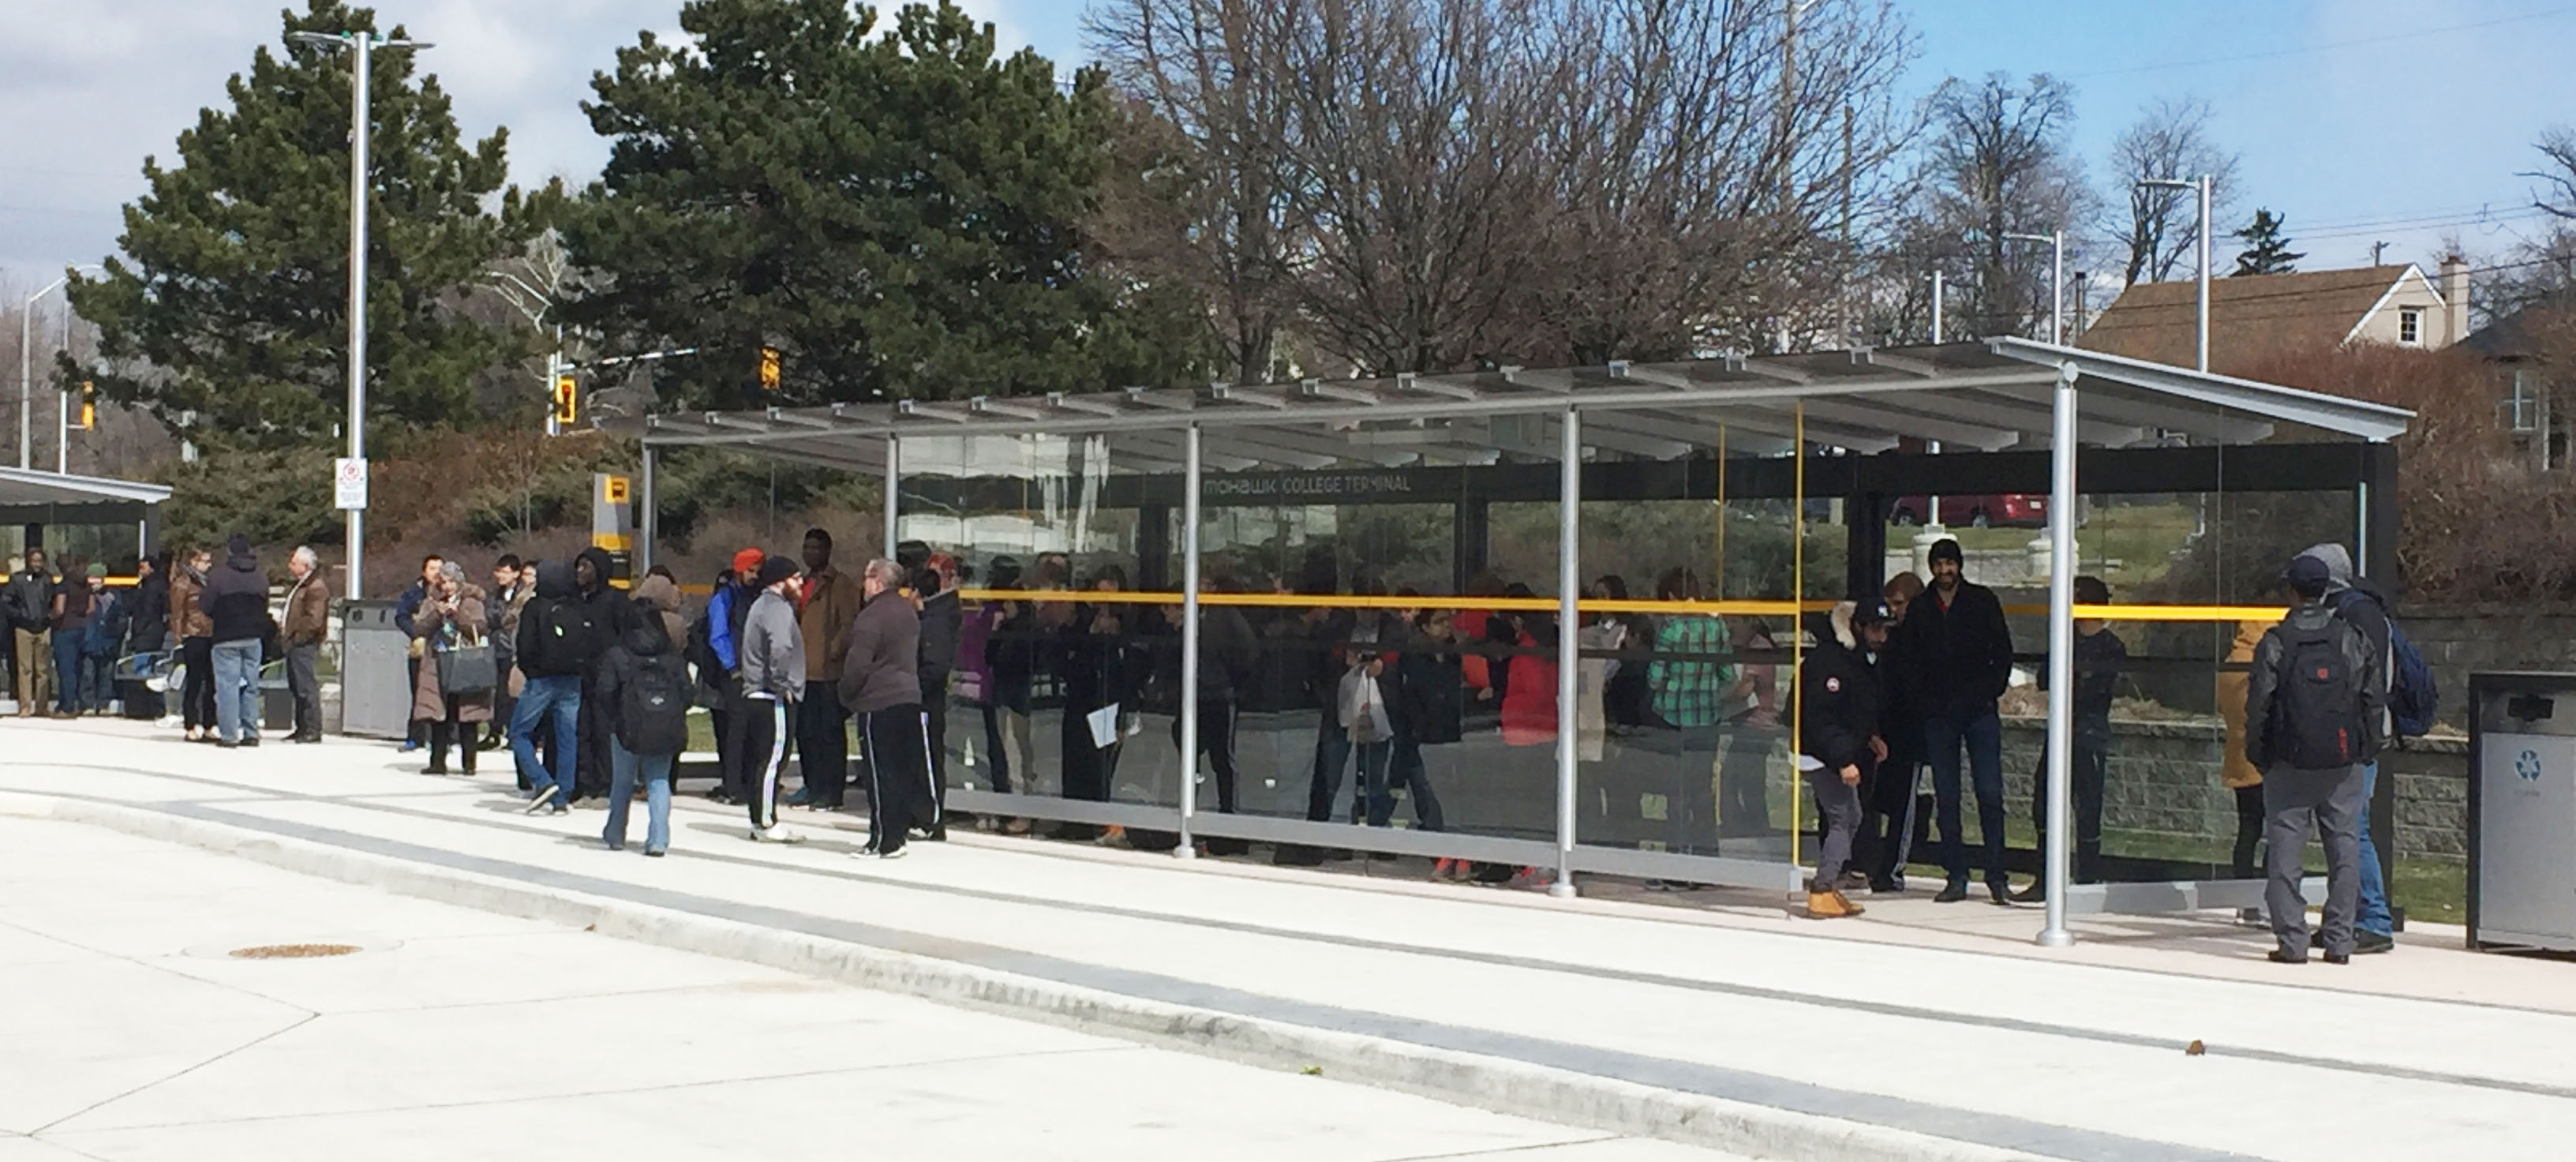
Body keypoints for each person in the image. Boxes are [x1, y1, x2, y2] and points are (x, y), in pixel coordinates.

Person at [2245, 552, 2383, 965]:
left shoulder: (2275, 641)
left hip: (2288, 763)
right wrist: (2368, 748)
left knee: (2286, 850)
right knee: (2344, 848)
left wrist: (2260, 754)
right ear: (2327, 589)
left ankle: (2292, 941)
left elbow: (2259, 707)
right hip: (2344, 761)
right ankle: (2340, 941)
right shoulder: (2350, 637)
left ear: (2292, 590)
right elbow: (2372, 698)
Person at [2301, 542, 2402, 956]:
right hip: (2357, 736)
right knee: (2343, 830)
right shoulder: (2363, 611)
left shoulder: (2354, 615)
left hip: (2355, 740)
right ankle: (2348, 919)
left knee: (2350, 831)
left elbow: (2363, 684)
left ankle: (2371, 920)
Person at [1901, 538, 2015, 905]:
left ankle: (1996, 875)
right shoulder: (1921, 608)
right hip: (1939, 714)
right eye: (1938, 564)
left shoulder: (1982, 601)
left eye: (1950, 564)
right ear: (1931, 567)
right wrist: (1925, 700)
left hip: (1979, 711)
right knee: (1948, 797)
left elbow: (2002, 652)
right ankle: (1956, 875)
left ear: (1959, 565)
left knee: (1990, 793)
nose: (1944, 571)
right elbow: (1910, 660)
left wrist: (1989, 692)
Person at [2016, 576, 2127, 901]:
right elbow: (2046, 680)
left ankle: (2087, 879)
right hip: (2061, 729)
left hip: (2089, 732)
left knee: (2088, 806)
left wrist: (2077, 682)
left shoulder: (2110, 646)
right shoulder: (2064, 640)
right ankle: (2045, 877)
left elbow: (2098, 689)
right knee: (2044, 801)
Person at [1799, 599, 1892, 920]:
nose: (1881, 637)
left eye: (1885, 630)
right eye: (1876, 629)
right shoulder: (1829, 662)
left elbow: (1855, 710)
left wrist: (1870, 737)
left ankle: (1828, 885)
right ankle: (1822, 888)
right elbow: (1821, 719)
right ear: (1857, 627)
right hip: (1819, 753)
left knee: (1850, 815)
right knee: (1844, 817)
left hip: (1836, 750)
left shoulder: (1860, 661)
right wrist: (1843, 761)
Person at [844, 558, 935, 858]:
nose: (863, 585)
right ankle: (898, 833)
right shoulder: (908, 613)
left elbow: (858, 663)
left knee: (879, 774)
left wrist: (845, 693)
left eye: (866, 578)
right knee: (900, 772)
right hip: (908, 697)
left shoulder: (871, 617)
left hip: (878, 700)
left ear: (877, 582)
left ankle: (883, 839)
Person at [600, 579, 692, 857]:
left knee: (623, 781)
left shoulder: (618, 655)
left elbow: (605, 692)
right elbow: (687, 692)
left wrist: (614, 717)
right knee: (659, 781)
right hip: (663, 724)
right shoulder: (672, 657)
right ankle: (658, 838)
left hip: (627, 725)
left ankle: (616, 833)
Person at [1646, 568, 1733, 858]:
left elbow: (1655, 677)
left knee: (1676, 792)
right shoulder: (1717, 627)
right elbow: (1727, 673)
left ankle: (1677, 856)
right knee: (1702, 789)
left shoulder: (1671, 630)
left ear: (1672, 597)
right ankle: (1709, 854)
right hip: (1708, 716)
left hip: (1674, 716)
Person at [1176, 572, 1258, 851]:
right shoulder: (1196, 613)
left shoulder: (1225, 614)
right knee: (1191, 754)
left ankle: (1228, 821)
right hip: (1196, 696)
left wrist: (1230, 681)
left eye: (1205, 584)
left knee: (1222, 759)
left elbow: (1248, 653)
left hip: (1219, 696)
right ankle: (1191, 814)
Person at [788, 529, 863, 811]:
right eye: (807, 547)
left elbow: (849, 624)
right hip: (803, 671)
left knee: (829, 734)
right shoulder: (801, 583)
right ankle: (811, 784)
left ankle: (831, 790)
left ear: (828, 551)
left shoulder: (841, 585)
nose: (810, 553)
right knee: (806, 733)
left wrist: (835, 652)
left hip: (829, 672)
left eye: (816, 548)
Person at [735, 554, 807, 843]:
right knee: (773, 758)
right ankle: (766, 821)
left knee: (761, 758)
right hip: (771, 695)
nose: (801, 583)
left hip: (758, 693)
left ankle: (759, 818)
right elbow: (780, 647)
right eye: (796, 578)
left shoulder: (760, 606)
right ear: (780, 581)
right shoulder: (778, 608)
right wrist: (782, 684)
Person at [512, 559, 591, 815]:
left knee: (519, 733)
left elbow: (524, 645)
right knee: (567, 736)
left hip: (541, 679)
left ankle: (543, 780)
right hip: (572, 678)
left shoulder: (535, 607)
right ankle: (563, 795)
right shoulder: (577, 606)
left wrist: (530, 671)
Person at [1866, 572, 1926, 891]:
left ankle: (1893, 868)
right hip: (1885, 726)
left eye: (1899, 604)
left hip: (1910, 730)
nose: (1893, 612)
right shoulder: (1890, 638)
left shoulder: (1922, 638)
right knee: (1881, 797)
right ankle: (1872, 862)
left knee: (1904, 804)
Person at [411, 562, 493, 775]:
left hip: (464, 660)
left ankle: (469, 763)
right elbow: (419, 628)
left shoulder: (472, 602)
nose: (447, 587)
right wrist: (437, 614)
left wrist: (458, 616)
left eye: (451, 582)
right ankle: (437, 761)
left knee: (467, 714)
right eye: (443, 582)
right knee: (439, 715)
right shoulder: (431, 601)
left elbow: (481, 627)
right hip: (437, 661)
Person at [571, 547, 633, 804]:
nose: (580, 572)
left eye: (586, 567)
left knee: (604, 729)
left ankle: (607, 782)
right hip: (578, 673)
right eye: (578, 566)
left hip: (607, 676)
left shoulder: (616, 600)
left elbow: (625, 637)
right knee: (581, 729)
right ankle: (584, 782)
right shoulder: (574, 600)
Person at [706, 548, 766, 806]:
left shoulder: (758, 597)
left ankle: (749, 781)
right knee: (736, 731)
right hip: (735, 674)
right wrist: (732, 668)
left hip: (755, 671)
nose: (755, 576)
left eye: (758, 571)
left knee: (754, 731)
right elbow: (717, 635)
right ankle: (733, 785)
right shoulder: (725, 598)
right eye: (750, 571)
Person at [200, 536, 270, 748]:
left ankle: (229, 735)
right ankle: (251, 733)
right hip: (253, 637)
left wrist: (220, 616)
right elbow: (264, 606)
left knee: (227, 687)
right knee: (251, 685)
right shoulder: (260, 578)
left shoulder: (219, 576)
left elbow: (205, 605)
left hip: (226, 637)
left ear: (229, 553)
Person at [2217, 614, 2272, 884]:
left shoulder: (2230, 664)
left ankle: (2242, 894)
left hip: (2239, 755)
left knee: (2248, 829)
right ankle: (2270, 893)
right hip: (2266, 757)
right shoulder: (2261, 664)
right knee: (2280, 831)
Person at [915, 553, 963, 825]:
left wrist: (916, 688)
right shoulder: (929, 614)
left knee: (930, 756)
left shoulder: (940, 616)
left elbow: (935, 663)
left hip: (930, 697)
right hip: (927, 693)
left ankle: (931, 817)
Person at [394, 554, 444, 752]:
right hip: (419, 649)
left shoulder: (447, 592)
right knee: (418, 692)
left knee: (439, 694)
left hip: (441, 649)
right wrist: (416, 633)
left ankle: (439, 739)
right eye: (432, 568)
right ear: (424, 571)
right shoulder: (413, 593)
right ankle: (415, 736)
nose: (436, 573)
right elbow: (401, 616)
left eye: (440, 568)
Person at [280, 546, 330, 743]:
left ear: (305, 565)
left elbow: (314, 619)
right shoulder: (301, 585)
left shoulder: (315, 587)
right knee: (296, 684)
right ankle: (301, 726)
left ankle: (312, 728)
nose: (290, 566)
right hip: (294, 642)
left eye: (294, 562)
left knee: (306, 685)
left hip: (304, 643)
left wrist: (297, 636)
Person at [170, 548, 215, 740]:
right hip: (193, 634)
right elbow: (177, 614)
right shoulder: (182, 584)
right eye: (205, 561)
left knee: (212, 683)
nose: (209, 565)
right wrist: (179, 639)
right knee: (194, 681)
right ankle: (190, 724)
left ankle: (209, 724)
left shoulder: (210, 583)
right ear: (193, 562)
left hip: (211, 633)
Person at [7, 547, 55, 717]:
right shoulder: (17, 580)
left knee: (43, 669)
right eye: (34, 560)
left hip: (43, 628)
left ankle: (42, 706)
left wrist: (49, 617)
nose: (37, 564)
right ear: (28, 561)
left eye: (40, 561)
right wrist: (21, 617)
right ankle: (25, 706)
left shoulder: (48, 579)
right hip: (23, 628)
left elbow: (54, 601)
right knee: (25, 669)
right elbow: (6, 602)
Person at [487, 554, 528, 748]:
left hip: (514, 647)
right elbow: (492, 617)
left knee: (513, 692)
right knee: (498, 691)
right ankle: (494, 730)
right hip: (498, 646)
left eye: (505, 571)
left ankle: (513, 731)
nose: (500, 576)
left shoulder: (523, 594)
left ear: (516, 573)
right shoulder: (496, 594)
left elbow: (511, 619)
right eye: (498, 571)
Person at [124, 554, 170, 722]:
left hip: (147, 633)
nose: (140, 570)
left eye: (143, 567)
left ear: (151, 568)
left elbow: (147, 611)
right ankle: (149, 707)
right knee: (149, 668)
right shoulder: (150, 585)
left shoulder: (152, 587)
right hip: (152, 632)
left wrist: (137, 632)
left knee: (144, 669)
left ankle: (145, 707)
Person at [49, 556, 96, 718]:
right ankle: (77, 703)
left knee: (66, 669)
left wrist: (49, 617)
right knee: (78, 668)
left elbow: (59, 609)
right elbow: (91, 609)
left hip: (65, 628)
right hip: (82, 628)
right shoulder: (86, 585)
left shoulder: (64, 585)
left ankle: (66, 707)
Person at [81, 565, 125, 715]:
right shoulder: (83, 596)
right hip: (89, 641)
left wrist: (116, 636)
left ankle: (104, 704)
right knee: (88, 674)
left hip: (108, 641)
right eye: (91, 578)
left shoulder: (114, 596)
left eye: (97, 578)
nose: (94, 582)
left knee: (106, 675)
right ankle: (88, 705)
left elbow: (121, 618)